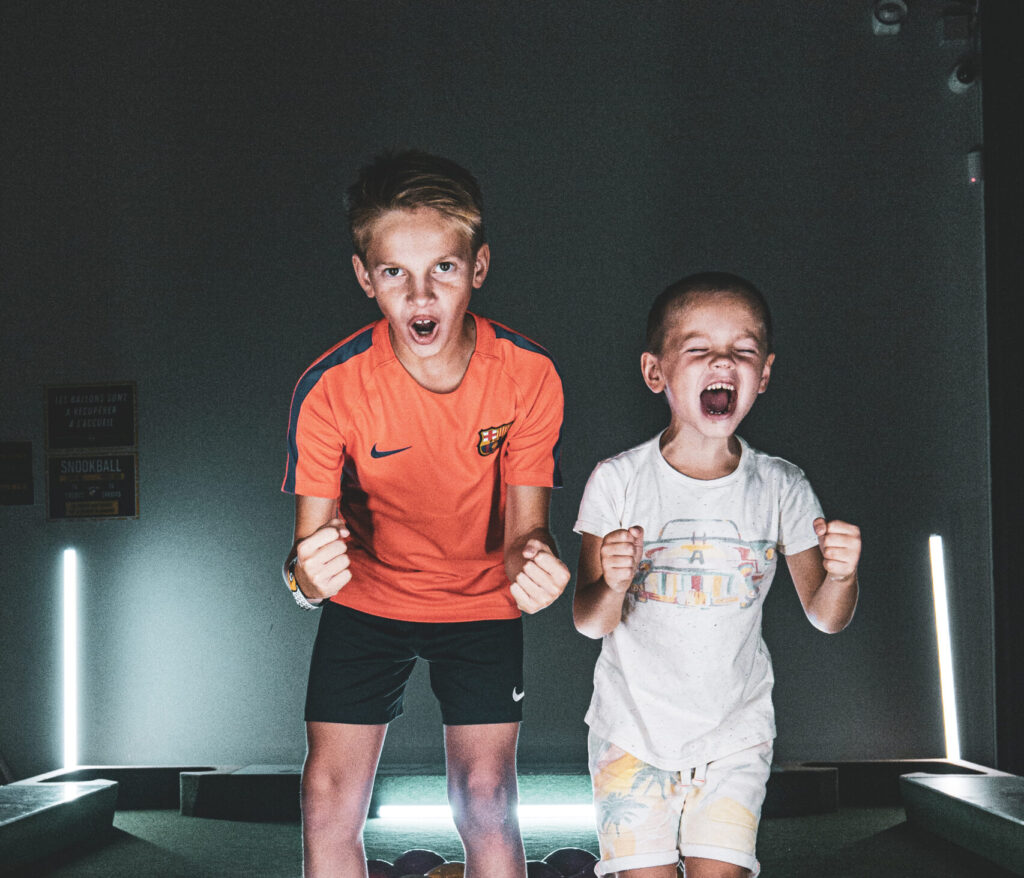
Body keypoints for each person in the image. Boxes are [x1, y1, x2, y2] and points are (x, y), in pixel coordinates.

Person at [281, 150, 570, 878]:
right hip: (369, 600)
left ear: (477, 267)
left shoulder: (529, 374)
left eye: (442, 268)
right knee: (324, 799)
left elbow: (526, 532)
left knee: (486, 797)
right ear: (363, 277)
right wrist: (305, 576)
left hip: (479, 604)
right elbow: (307, 564)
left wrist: (535, 563)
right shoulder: (329, 389)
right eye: (393, 273)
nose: (420, 296)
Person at [572, 272, 861, 878]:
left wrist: (842, 575)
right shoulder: (618, 481)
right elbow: (589, 619)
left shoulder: (782, 486)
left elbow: (827, 617)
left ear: (765, 373)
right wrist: (614, 583)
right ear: (657, 372)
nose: (723, 361)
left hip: (735, 734)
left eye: (743, 350)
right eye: (699, 348)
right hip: (632, 733)